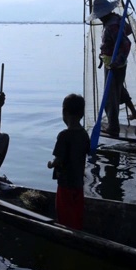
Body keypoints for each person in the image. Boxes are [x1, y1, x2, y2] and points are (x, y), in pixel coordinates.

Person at [89, 0, 136, 136]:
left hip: (115, 63)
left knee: (110, 95)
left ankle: (113, 127)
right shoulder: (117, 19)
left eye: (100, 16)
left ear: (104, 14)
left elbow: (126, 44)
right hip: (112, 62)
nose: (99, 19)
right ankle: (134, 112)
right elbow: (128, 30)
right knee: (118, 88)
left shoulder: (112, 25)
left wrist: (116, 62)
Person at [47, 93, 90, 229]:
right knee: (77, 213)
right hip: (78, 183)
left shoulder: (64, 136)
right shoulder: (84, 135)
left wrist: (50, 164)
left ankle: (65, 232)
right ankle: (77, 230)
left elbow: (58, 160)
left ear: (64, 112)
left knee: (64, 213)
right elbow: (88, 151)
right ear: (82, 114)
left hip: (65, 184)